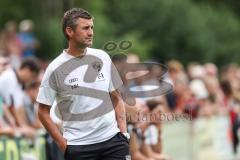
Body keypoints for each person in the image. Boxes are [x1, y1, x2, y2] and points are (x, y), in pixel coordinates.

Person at [37, 8, 130, 160]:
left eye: (92, 27)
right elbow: (42, 111)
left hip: (114, 142)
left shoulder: (102, 57)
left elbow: (116, 97)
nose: (91, 32)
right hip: (79, 147)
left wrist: (123, 132)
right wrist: (62, 144)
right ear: (69, 31)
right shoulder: (55, 68)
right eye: (85, 28)